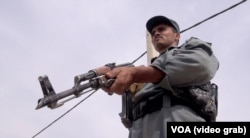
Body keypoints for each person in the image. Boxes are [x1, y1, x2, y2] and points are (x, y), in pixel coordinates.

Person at [103, 15, 219, 138]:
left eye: (162, 29)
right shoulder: (145, 73)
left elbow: (200, 65)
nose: (156, 34)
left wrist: (136, 74)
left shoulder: (192, 48)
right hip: (140, 128)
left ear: (177, 36)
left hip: (178, 118)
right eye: (153, 33)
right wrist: (108, 77)